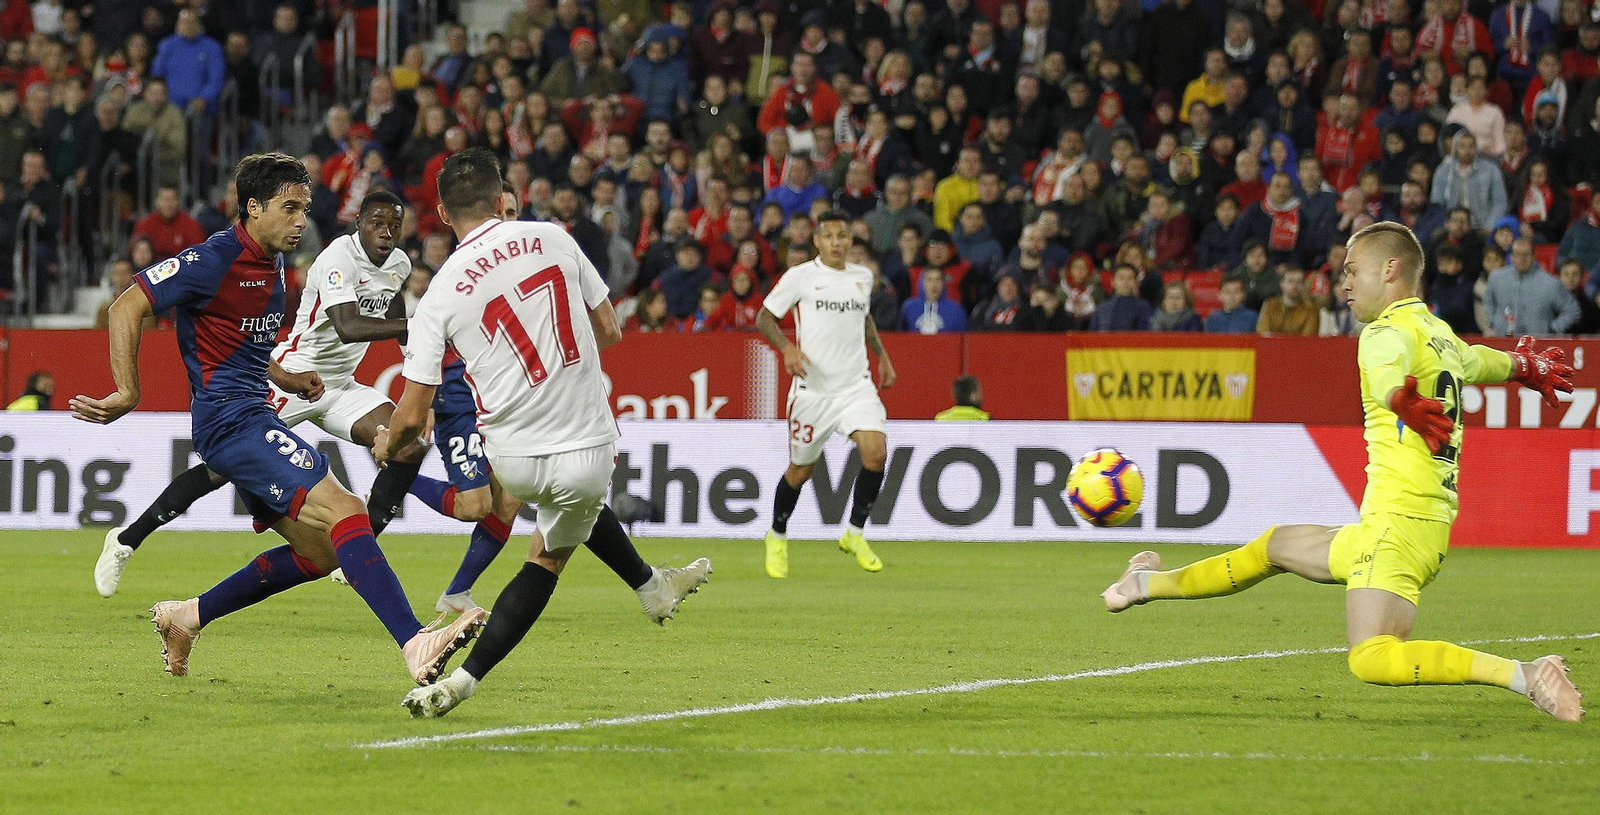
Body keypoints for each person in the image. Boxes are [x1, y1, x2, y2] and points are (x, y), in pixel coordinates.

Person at [1101, 221, 1582, 723]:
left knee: (1372, 656)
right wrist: (1523, 366)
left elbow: (1384, 375)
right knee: (1274, 547)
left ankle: (1525, 674)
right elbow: (1478, 361)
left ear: (1391, 269)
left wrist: (1401, 399)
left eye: (1353, 270)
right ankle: (1145, 584)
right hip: (1408, 522)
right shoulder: (1437, 333)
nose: (1344, 284)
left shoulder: (1384, 332)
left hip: (1398, 525)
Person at [70, 154, 483, 684]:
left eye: (305, 209)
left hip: (257, 408)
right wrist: (128, 391)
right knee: (347, 510)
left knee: (320, 553)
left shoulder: (273, 262)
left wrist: (285, 378)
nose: (299, 221)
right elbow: (127, 306)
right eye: (289, 209)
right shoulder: (213, 258)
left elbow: (240, 340)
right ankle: (415, 642)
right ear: (253, 207)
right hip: (232, 421)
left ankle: (187, 617)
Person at [385, 148, 711, 718]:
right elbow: (608, 329)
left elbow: (413, 415)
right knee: (548, 554)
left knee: (553, 512)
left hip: (511, 457)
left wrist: (389, 446)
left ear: (441, 212)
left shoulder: (438, 292)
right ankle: (461, 683)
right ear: (499, 199)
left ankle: (653, 588)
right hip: (587, 448)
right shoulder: (554, 238)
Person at [93, 190, 434, 597]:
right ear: (357, 222)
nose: (386, 233)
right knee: (220, 468)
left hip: (340, 386)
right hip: (291, 376)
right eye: (377, 224)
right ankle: (127, 539)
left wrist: (418, 375)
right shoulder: (337, 258)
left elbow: (397, 324)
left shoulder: (399, 265)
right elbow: (348, 326)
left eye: (394, 226)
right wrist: (416, 325)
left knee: (411, 445)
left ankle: (365, 543)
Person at [757, 209, 897, 579]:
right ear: (817, 241)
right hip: (813, 391)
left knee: (876, 452)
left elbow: (864, 318)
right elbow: (764, 317)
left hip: (855, 386)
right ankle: (777, 535)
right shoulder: (801, 277)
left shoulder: (862, 278)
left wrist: (881, 355)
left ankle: (854, 532)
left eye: (843, 236)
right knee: (802, 470)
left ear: (851, 241)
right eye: (829, 236)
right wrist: (787, 349)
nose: (837, 242)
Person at [1485, 237, 1581, 336]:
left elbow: (1572, 310)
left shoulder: (1550, 283)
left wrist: (1553, 329)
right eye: (1518, 254)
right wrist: (1494, 322)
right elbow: (1488, 302)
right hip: (1503, 343)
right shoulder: (1496, 278)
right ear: (1511, 256)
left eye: (1526, 255)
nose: (1522, 259)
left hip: (1538, 345)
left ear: (1534, 257)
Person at [1256, 267, 1320, 335]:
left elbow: (1308, 340)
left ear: (1303, 285)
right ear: (1282, 284)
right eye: (1290, 281)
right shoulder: (1269, 305)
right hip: (1271, 345)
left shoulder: (1311, 310)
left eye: (1299, 282)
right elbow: (1262, 333)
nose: (1295, 285)